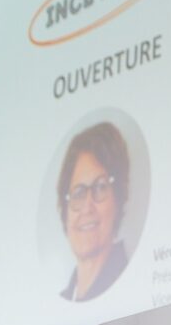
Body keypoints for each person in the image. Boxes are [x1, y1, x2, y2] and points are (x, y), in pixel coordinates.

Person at [54, 121, 132, 301]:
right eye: (78, 193)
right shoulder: (64, 299)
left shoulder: (132, 284)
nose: (87, 207)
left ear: (118, 198)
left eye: (100, 187)